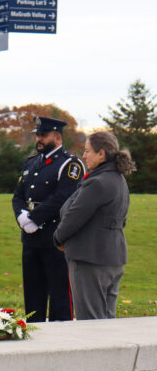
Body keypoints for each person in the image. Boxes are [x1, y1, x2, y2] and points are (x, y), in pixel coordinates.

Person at [53, 132, 135, 320]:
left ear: (102, 154)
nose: (84, 156)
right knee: (106, 319)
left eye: (88, 151)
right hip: (113, 256)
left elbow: (74, 216)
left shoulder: (98, 182)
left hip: (90, 257)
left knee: (90, 321)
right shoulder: (118, 180)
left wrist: (58, 238)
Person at [12, 116, 85, 322]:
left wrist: (35, 219)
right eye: (38, 136)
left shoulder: (70, 164)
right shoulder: (32, 162)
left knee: (60, 298)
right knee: (33, 296)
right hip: (30, 238)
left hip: (54, 239)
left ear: (57, 137)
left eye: (44, 135)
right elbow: (18, 196)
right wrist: (22, 218)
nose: (39, 140)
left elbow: (64, 197)